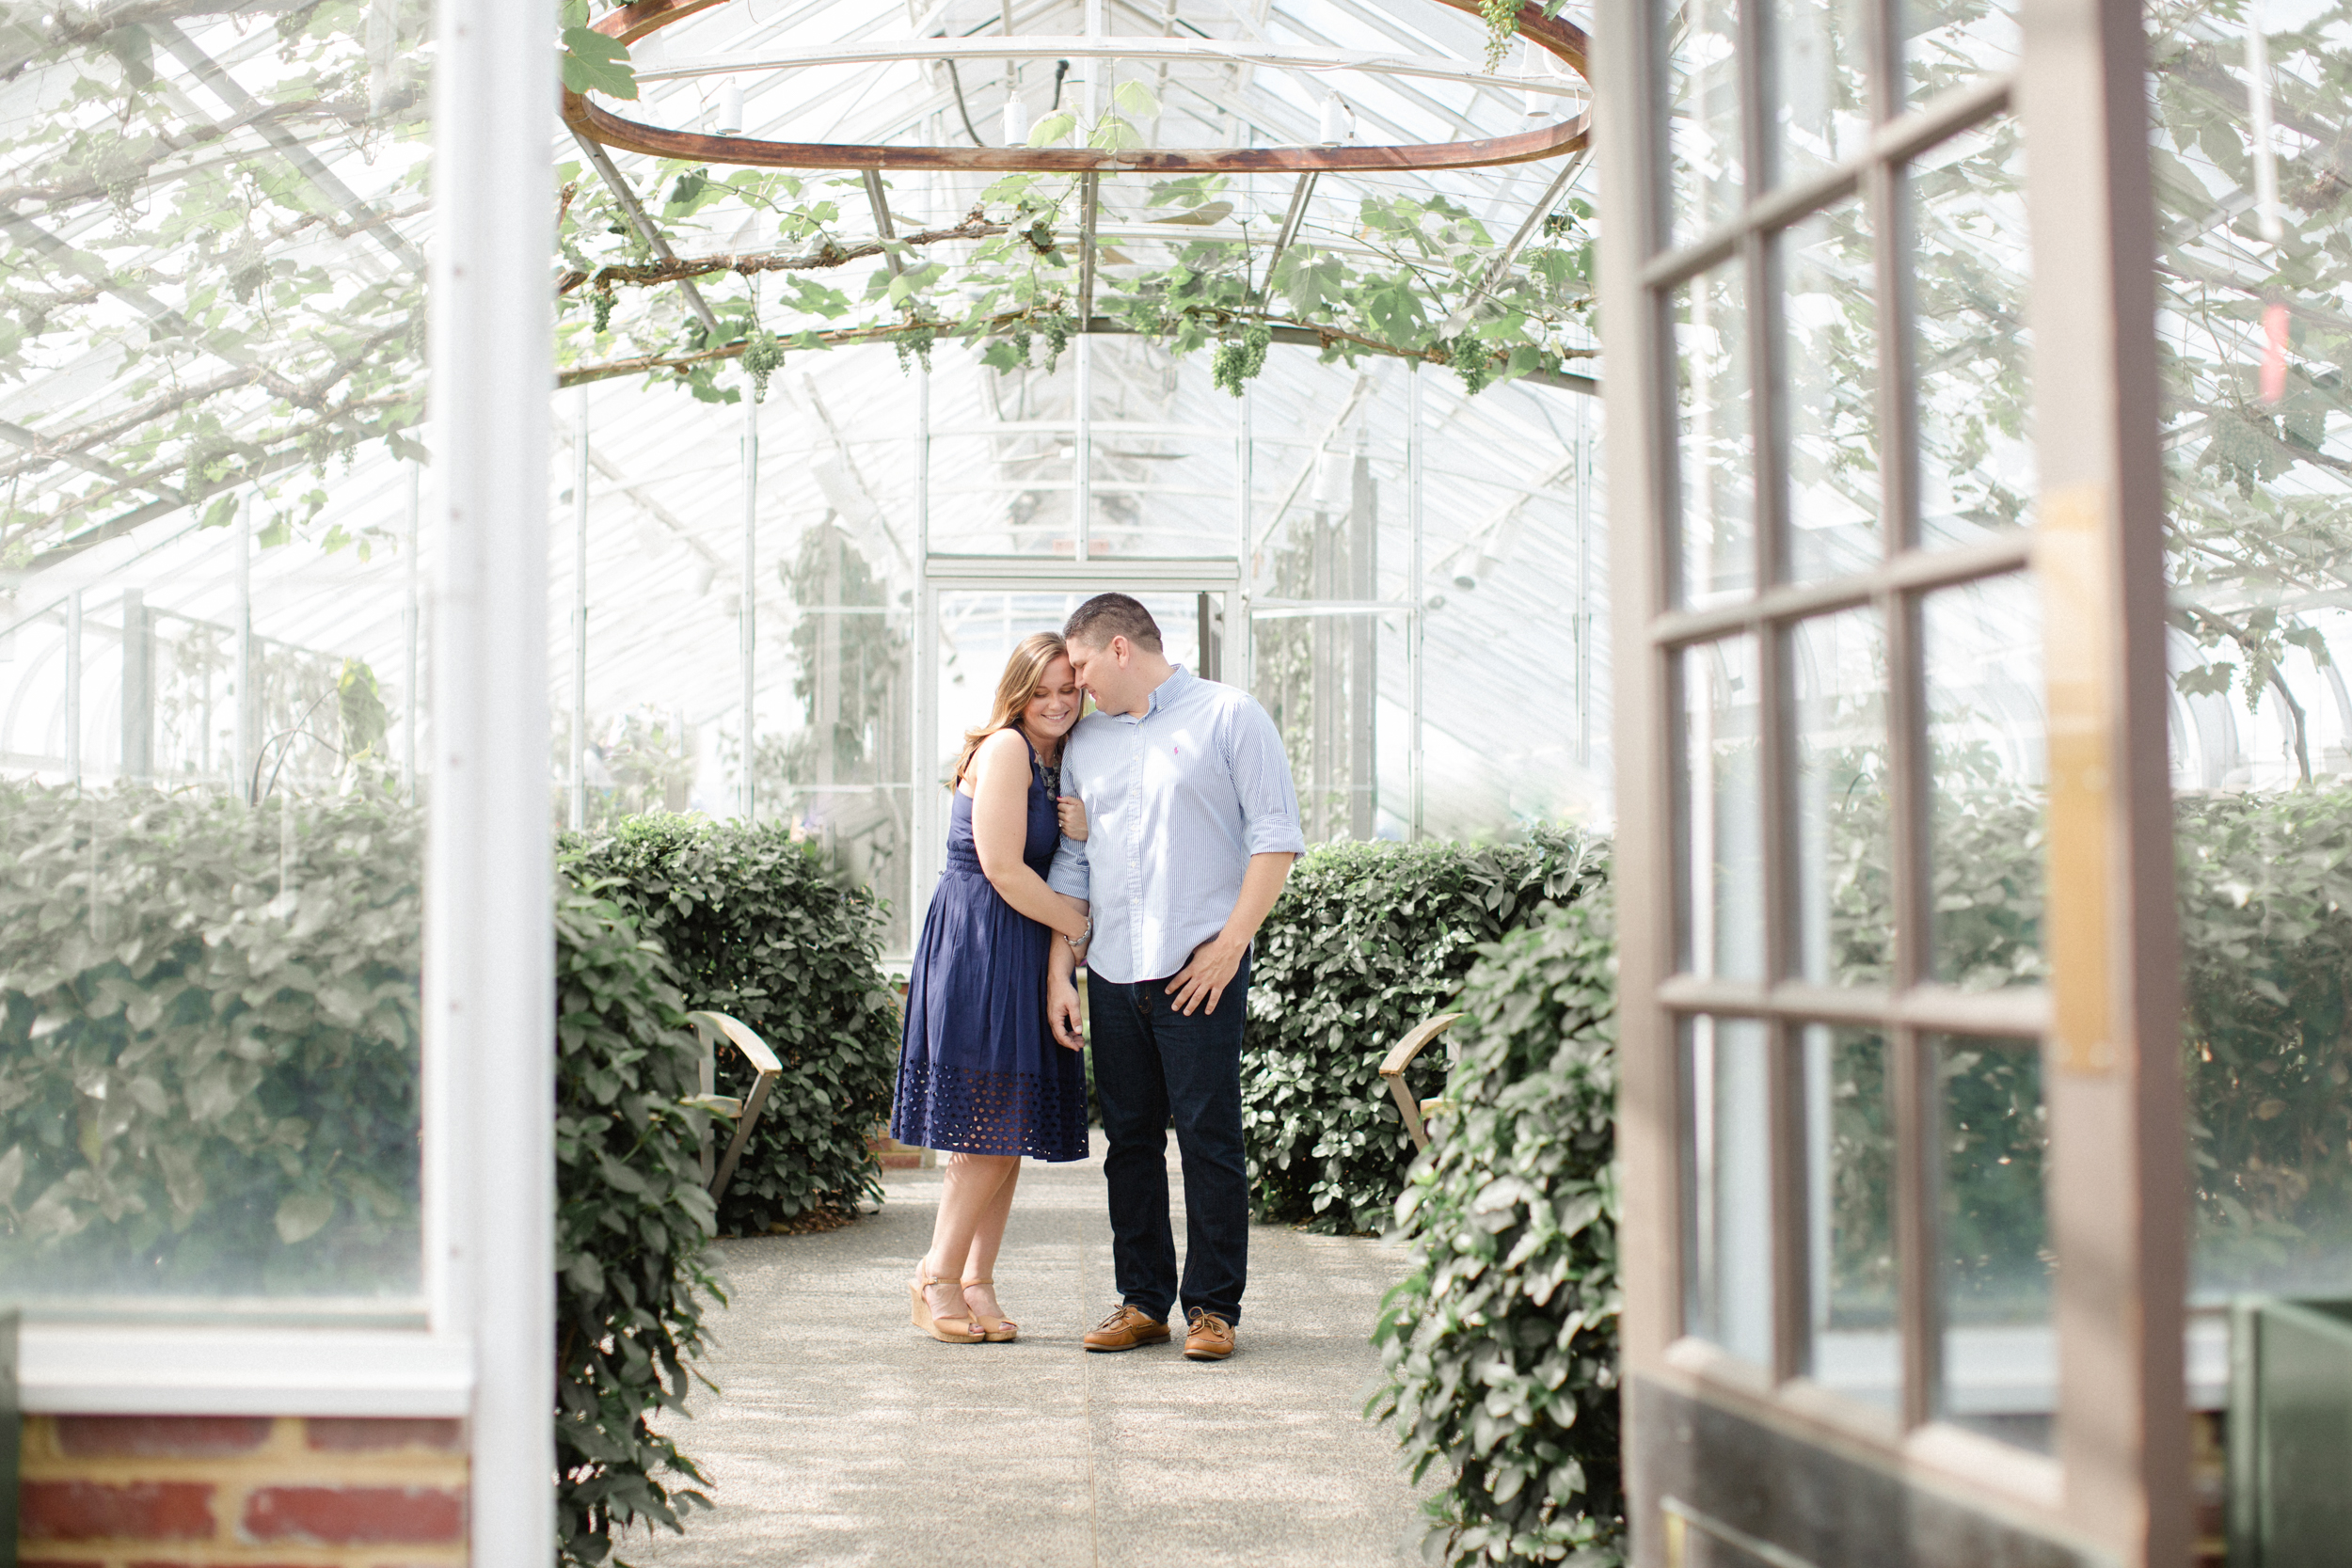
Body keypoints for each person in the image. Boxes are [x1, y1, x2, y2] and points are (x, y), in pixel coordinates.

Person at [1045, 594, 1305, 1362]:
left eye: (1083, 667)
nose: (1077, 685)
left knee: (1209, 1138)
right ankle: (1142, 1300)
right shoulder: (1087, 744)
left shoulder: (1230, 717)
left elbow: (1277, 838)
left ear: (1121, 649)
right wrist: (1064, 971)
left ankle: (1214, 1307)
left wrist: (1230, 947)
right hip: (1116, 970)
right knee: (1128, 1142)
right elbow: (1073, 864)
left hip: (1201, 969)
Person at [892, 632, 1094, 1344]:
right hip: (980, 945)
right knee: (984, 1128)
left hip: (1017, 944)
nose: (1057, 702)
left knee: (1006, 1127)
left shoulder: (1055, 760)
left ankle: (976, 1279)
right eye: (1041, 691)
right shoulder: (1008, 749)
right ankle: (936, 1275)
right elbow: (1004, 869)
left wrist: (1081, 829)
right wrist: (1079, 922)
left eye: (1068, 688)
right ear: (1017, 694)